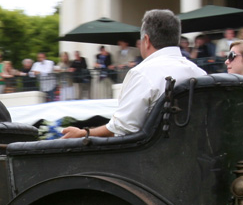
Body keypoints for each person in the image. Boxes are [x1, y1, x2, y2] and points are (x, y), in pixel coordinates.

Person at [61, 9, 205, 139]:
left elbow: (122, 129)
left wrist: (83, 133)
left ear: (146, 40)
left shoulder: (142, 74)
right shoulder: (200, 73)